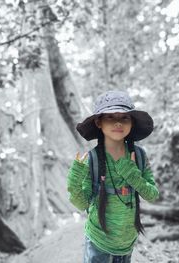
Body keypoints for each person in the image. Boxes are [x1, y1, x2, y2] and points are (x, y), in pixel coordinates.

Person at [67, 90, 159, 263]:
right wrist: (75, 178)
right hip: (98, 241)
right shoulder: (92, 159)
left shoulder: (138, 155)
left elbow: (152, 195)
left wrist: (131, 174)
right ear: (98, 122)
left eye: (124, 117)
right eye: (110, 117)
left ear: (131, 122)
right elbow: (81, 203)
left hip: (127, 241)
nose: (118, 123)